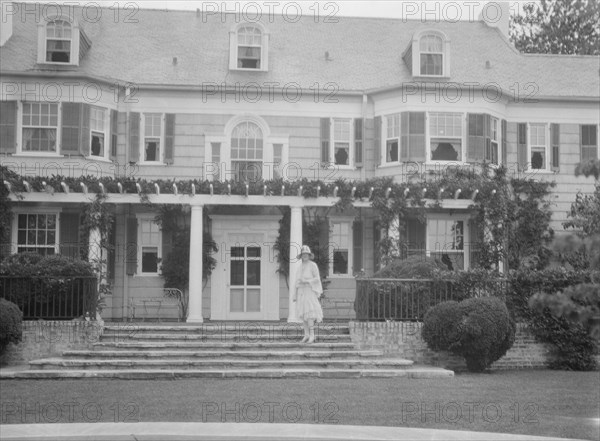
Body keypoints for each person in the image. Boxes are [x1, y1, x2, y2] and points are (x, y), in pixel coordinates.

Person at [293, 245, 323, 343]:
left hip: (309, 291)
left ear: (309, 255)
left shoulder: (313, 265)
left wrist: (307, 281)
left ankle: (312, 335)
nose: (304, 256)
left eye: (306, 254)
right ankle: (306, 334)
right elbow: (296, 282)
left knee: (309, 314)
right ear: (301, 256)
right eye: (303, 254)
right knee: (303, 315)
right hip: (301, 292)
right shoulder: (300, 267)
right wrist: (294, 294)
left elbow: (317, 278)